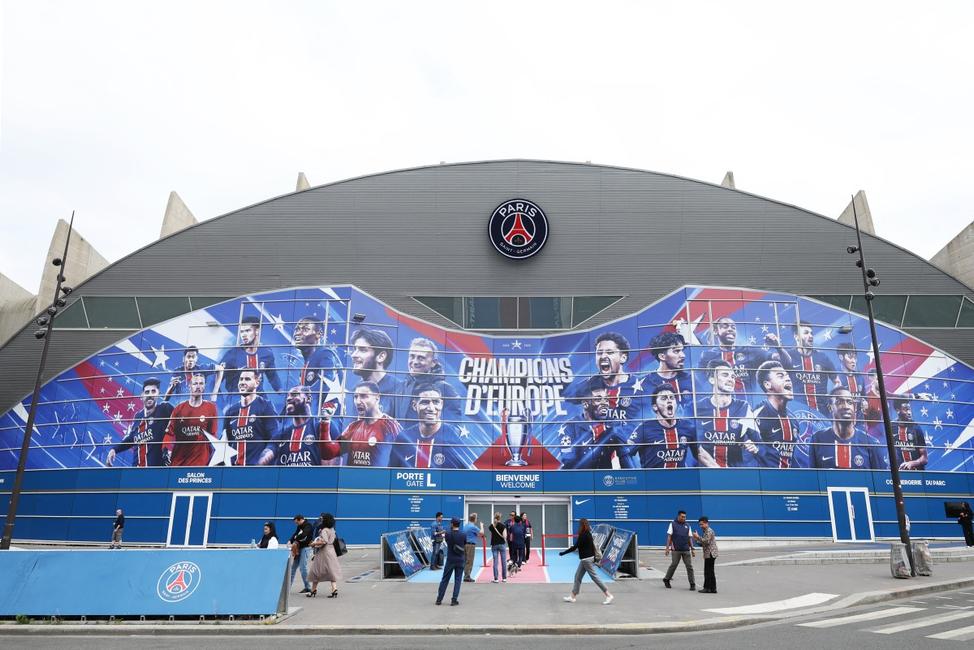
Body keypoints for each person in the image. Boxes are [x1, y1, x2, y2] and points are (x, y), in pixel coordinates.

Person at [694, 359, 761, 468]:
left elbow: (759, 442)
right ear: (712, 380)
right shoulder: (697, 408)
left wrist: (755, 447)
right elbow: (691, 443)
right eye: (725, 375)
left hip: (735, 476)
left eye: (733, 377)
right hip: (705, 475)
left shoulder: (743, 407)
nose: (730, 379)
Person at [698, 316, 791, 395]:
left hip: (749, 409)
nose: (730, 329)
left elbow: (786, 363)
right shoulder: (707, 356)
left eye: (733, 327)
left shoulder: (750, 351)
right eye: (725, 326)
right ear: (715, 331)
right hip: (722, 406)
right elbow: (700, 383)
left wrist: (778, 347)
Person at [320, 382, 401, 467]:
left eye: (363, 396)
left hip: (378, 480)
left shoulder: (390, 426)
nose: (358, 401)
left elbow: (405, 458)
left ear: (377, 397)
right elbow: (328, 453)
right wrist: (325, 421)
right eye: (356, 397)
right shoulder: (353, 428)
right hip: (353, 479)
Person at [389, 383, 466, 469]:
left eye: (436, 402)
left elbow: (465, 476)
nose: (431, 408)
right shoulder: (404, 438)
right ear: (414, 405)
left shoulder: (454, 436)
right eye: (425, 402)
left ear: (441, 404)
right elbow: (392, 474)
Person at [809, 387, 888, 470]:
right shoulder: (817, 439)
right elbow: (813, 479)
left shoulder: (872, 444)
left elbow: (880, 479)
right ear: (830, 408)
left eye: (849, 402)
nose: (846, 406)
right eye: (839, 402)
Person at [291, 316, 344, 438]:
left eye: (304, 329)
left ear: (318, 334)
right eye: (297, 329)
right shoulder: (308, 362)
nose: (298, 333)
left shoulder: (325, 354)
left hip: (326, 426)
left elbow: (325, 385)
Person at [107, 378, 175, 467]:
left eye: (153, 391)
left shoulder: (164, 409)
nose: (150, 395)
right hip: (137, 472)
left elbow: (180, 421)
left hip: (157, 472)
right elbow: (131, 438)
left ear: (158, 394)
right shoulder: (138, 416)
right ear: (142, 396)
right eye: (147, 392)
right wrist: (114, 449)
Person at [623, 385, 695, 468]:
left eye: (672, 398)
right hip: (652, 480)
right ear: (655, 407)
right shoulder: (644, 428)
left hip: (681, 479)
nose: (669, 401)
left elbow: (700, 453)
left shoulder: (688, 427)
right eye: (664, 398)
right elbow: (625, 452)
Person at [558, 386, 630, 470]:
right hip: (578, 480)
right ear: (585, 404)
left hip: (604, 479)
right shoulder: (569, 427)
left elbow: (625, 457)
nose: (605, 403)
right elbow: (570, 466)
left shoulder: (613, 424)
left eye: (606, 399)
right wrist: (605, 439)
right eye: (598, 399)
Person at [393, 337, 460, 425]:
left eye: (421, 358)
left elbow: (454, 427)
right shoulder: (400, 388)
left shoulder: (445, 389)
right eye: (412, 356)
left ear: (433, 362)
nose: (415, 362)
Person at [223, 369, 279, 466]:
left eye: (247, 379)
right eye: (241, 379)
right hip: (235, 471)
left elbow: (274, 439)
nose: (242, 382)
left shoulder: (266, 406)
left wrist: (265, 459)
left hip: (257, 471)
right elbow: (225, 443)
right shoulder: (231, 412)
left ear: (257, 383)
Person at [752, 361, 801, 468]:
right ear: (767, 385)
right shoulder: (756, 415)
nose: (788, 379)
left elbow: (790, 457)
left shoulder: (793, 420)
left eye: (788, 376)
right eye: (780, 376)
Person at [163, 372, 218, 466]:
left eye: (201, 383)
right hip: (179, 462)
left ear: (204, 386)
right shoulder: (179, 409)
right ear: (189, 386)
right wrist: (166, 450)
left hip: (200, 464)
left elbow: (213, 436)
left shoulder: (211, 408)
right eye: (195, 383)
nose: (198, 386)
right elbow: (169, 434)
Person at [218, 315, 281, 396]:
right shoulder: (232, 354)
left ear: (257, 331)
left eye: (247, 331)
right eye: (242, 331)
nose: (243, 335)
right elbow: (215, 379)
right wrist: (220, 401)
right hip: (237, 400)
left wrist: (282, 393)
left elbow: (273, 376)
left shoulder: (266, 353)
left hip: (258, 399)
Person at [560, 518, 614, 605]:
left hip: (586, 560)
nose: (579, 526)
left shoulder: (583, 535)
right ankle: (572, 597)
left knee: (594, 577)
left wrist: (564, 553)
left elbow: (575, 547)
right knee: (577, 576)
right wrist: (594, 559)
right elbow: (592, 547)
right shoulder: (589, 534)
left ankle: (608, 595)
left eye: (579, 525)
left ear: (581, 525)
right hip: (586, 559)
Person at [349, 327, 398, 418]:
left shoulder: (399, 390)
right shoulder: (354, 390)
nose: (354, 355)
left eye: (362, 350)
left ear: (381, 356)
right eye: (355, 349)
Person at [788, 321, 836, 413]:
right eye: (806, 333)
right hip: (799, 414)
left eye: (811, 333)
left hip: (823, 414)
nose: (810, 336)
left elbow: (837, 382)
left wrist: (833, 400)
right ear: (796, 336)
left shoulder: (823, 357)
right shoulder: (788, 356)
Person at [272, 386, 321, 466]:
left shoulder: (321, 427)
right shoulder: (282, 435)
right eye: (287, 396)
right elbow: (267, 455)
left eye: (294, 394)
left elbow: (332, 466)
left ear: (308, 399)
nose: (288, 399)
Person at [646, 332, 693, 407]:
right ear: (662, 356)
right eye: (676, 351)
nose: (683, 355)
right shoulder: (646, 383)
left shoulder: (691, 379)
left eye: (682, 350)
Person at [308, 513, 342, 598]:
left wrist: (313, 543)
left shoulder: (324, 530)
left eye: (322, 519)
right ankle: (334, 589)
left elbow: (324, 541)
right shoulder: (332, 529)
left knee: (316, 570)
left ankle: (313, 590)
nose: (321, 520)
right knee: (331, 570)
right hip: (331, 551)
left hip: (323, 552)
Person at [436, 517, 467, 606]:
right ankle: (454, 599)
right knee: (458, 580)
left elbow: (447, 541)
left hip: (450, 559)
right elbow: (464, 543)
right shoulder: (463, 534)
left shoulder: (448, 534)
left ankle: (439, 599)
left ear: (452, 524)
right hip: (460, 559)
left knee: (445, 579)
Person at [663, 510, 695, 590]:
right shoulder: (673, 524)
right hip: (676, 549)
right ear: (678, 516)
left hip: (686, 549)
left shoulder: (687, 525)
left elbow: (690, 537)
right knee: (674, 565)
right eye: (682, 516)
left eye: (685, 517)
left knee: (689, 566)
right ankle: (666, 579)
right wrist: (667, 548)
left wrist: (692, 548)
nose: (684, 518)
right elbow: (669, 537)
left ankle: (692, 583)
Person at [892, 398, 928, 470]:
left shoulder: (916, 428)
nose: (909, 412)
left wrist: (912, 463)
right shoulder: (891, 427)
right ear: (898, 410)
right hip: (899, 475)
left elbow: (925, 458)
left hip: (917, 474)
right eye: (905, 409)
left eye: (909, 409)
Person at [288, 514, 314, 594]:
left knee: (303, 568)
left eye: (297, 522)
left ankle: (308, 587)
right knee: (293, 568)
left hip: (306, 548)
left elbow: (304, 535)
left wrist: (295, 539)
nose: (296, 524)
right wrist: (290, 540)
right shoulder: (300, 526)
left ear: (300, 520)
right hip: (299, 548)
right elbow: (295, 533)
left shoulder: (308, 526)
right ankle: (287, 588)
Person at [693, 516, 718, 594]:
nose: (701, 526)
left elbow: (706, 541)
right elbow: (703, 543)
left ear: (707, 523)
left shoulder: (709, 531)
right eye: (700, 525)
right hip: (709, 553)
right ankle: (712, 588)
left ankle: (707, 588)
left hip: (710, 553)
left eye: (702, 524)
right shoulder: (705, 531)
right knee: (710, 571)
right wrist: (697, 540)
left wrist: (697, 537)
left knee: (708, 571)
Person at [462, 513, 484, 582]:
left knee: (465, 560)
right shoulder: (473, 527)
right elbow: (482, 533)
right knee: (470, 561)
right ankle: (467, 576)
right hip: (470, 545)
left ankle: (465, 575)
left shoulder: (465, 526)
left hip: (465, 544)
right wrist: (481, 526)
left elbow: (471, 534)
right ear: (474, 519)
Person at [488, 513, 508, 583]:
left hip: (494, 545)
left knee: (495, 562)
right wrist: (504, 539)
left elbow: (491, 530)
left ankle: (496, 578)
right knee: (503, 562)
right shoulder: (503, 526)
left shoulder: (492, 526)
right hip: (502, 544)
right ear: (500, 518)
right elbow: (505, 536)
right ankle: (504, 578)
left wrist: (494, 523)